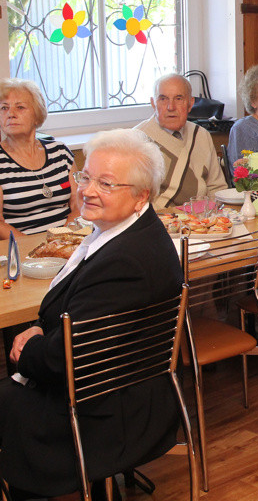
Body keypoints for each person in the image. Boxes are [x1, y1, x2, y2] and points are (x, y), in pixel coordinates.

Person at [0, 129, 183, 500]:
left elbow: (62, 360)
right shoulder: (130, 232)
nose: (87, 190)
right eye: (85, 177)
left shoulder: (127, 261)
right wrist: (40, 328)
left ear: (140, 196)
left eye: (107, 183)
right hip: (123, 389)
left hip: (106, 413)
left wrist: (28, 347)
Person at [135, 73, 227, 207]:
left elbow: (217, 188)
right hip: (160, 221)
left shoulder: (201, 135)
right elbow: (133, 199)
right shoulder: (137, 140)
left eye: (178, 98)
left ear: (190, 104)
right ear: (153, 103)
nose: (170, 107)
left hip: (202, 220)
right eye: (163, 99)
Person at [0, 78, 77, 238]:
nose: (11, 114)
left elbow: (78, 203)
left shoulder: (60, 152)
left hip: (67, 240)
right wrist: (35, 248)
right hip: (21, 248)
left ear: (37, 115)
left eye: (20, 107)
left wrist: (62, 238)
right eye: (4, 108)